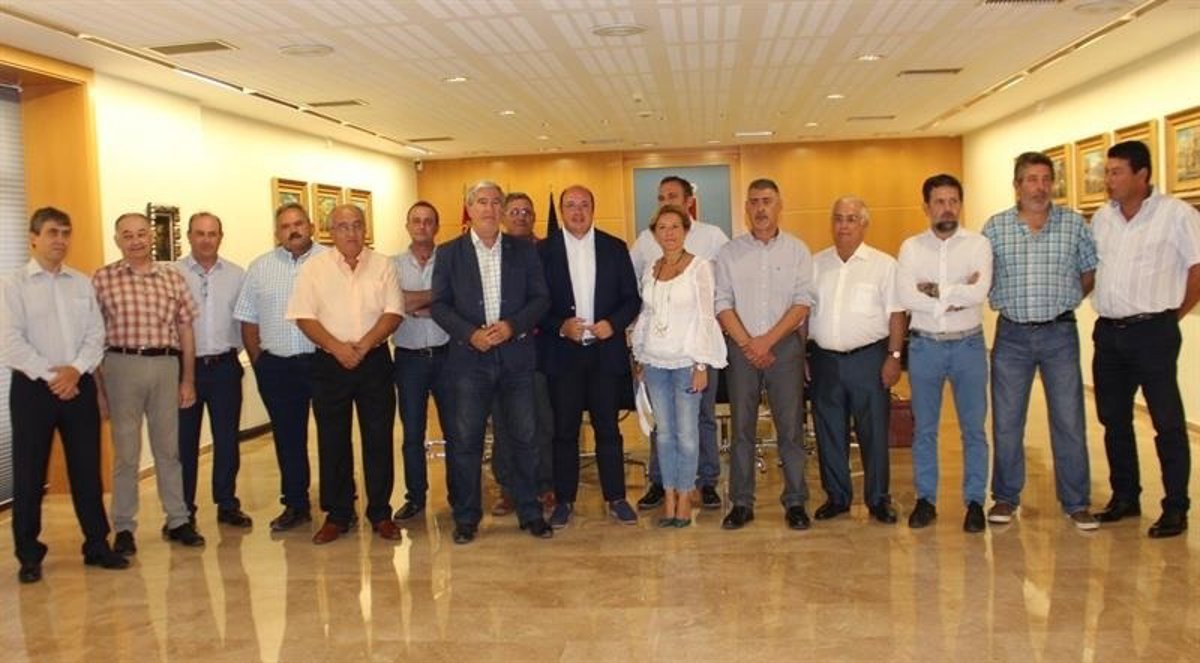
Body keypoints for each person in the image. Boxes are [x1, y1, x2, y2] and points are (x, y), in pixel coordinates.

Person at [1, 207, 129, 583]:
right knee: (29, 473)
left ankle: (97, 544)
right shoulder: (12, 285)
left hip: (79, 385)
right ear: (34, 238)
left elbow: (96, 333)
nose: (60, 240)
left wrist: (75, 370)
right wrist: (51, 375)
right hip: (32, 388)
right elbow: (10, 342)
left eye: (65, 233)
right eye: (53, 232)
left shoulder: (81, 283)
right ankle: (29, 554)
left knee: (87, 470)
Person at [431, 181, 553, 544]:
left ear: (501, 209)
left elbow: (541, 298)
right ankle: (467, 517)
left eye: (495, 202)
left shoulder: (523, 250)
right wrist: (470, 333)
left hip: (516, 358)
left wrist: (512, 326)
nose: (489, 208)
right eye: (481, 202)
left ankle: (530, 512)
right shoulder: (449, 253)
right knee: (466, 441)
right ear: (469, 208)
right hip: (469, 361)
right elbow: (439, 305)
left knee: (525, 438)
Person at [982, 152, 1099, 531]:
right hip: (1012, 335)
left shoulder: (1073, 224)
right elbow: (983, 276)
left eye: (1046, 179)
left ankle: (1076, 502)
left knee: (1068, 420)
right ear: (1017, 186)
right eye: (1031, 179)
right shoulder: (996, 227)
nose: (1040, 187)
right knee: (1006, 421)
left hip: (1059, 334)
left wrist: (1064, 299)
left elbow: (1088, 273)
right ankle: (1005, 497)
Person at [1091, 140, 1200, 539]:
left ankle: (1176, 507)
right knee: (1113, 419)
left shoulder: (1176, 214)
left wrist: (1174, 315)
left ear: (1142, 174)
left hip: (1153, 332)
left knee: (1167, 421)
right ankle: (1125, 497)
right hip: (1109, 333)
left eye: (1116, 172)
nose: (1109, 180)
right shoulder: (1102, 218)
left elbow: (1198, 267)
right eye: (1107, 172)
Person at [287, 204, 403, 544]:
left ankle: (380, 512)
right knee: (332, 439)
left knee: (378, 438)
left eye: (356, 225)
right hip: (329, 363)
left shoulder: (383, 265)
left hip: (374, 360)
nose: (351, 232)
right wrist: (337, 348)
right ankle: (339, 514)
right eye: (342, 226)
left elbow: (393, 312)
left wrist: (363, 346)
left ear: (365, 228)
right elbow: (303, 316)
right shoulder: (314, 268)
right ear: (330, 232)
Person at [93, 212, 205, 553]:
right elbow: (91, 336)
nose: (136, 241)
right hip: (120, 366)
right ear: (117, 240)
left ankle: (178, 520)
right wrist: (99, 389)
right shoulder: (102, 279)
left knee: (168, 450)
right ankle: (124, 528)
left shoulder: (172, 277)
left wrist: (188, 379)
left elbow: (186, 330)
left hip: (165, 365)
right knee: (127, 455)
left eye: (142, 233)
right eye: (127, 235)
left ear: (151, 237)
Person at [538, 185, 642, 528]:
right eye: (570, 205)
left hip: (604, 354)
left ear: (593, 208)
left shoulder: (615, 247)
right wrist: (559, 326)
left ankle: (616, 497)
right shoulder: (543, 251)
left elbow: (631, 299)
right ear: (562, 211)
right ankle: (564, 501)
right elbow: (535, 303)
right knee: (564, 431)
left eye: (584, 204)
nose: (577, 211)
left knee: (608, 429)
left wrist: (613, 323)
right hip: (562, 355)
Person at [714, 179, 814, 531]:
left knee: (791, 428)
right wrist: (748, 343)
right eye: (754, 201)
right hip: (741, 348)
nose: (760, 208)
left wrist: (767, 341)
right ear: (746, 207)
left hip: (783, 347)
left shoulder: (797, 250)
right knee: (742, 429)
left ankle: (796, 501)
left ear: (779, 205)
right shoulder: (729, 252)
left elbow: (802, 302)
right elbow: (721, 302)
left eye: (767, 201)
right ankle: (741, 502)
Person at [897, 174, 992, 533]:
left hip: (969, 345)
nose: (947, 208)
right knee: (924, 429)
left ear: (960, 205)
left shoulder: (978, 244)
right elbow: (907, 296)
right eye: (939, 201)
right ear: (926, 207)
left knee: (974, 430)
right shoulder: (911, 248)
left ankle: (975, 502)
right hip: (925, 346)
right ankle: (926, 500)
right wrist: (955, 293)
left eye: (953, 201)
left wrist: (934, 291)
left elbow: (979, 292)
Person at [630, 176, 728, 512]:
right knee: (665, 433)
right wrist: (639, 357)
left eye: (674, 227)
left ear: (686, 229)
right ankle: (668, 493)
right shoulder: (651, 268)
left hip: (688, 362)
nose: (668, 233)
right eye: (662, 227)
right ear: (655, 233)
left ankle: (688, 494)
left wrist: (701, 364)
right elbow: (646, 314)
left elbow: (706, 316)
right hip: (655, 362)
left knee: (689, 433)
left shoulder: (701, 266)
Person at [808, 196, 906, 525]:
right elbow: (805, 313)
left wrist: (894, 356)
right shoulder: (816, 264)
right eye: (838, 218)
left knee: (873, 431)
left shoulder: (884, 265)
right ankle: (837, 497)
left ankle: (878, 499)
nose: (844, 225)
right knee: (828, 432)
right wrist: (805, 354)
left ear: (864, 224)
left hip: (869, 360)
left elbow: (896, 314)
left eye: (851, 219)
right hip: (824, 361)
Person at [233, 202, 325, 532]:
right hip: (278, 367)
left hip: (324, 362)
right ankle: (296, 504)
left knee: (333, 435)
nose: (293, 231)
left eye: (298, 224)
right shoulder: (260, 268)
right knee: (288, 438)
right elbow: (248, 320)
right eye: (286, 226)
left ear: (311, 226)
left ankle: (338, 502)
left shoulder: (331, 261)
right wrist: (260, 363)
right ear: (277, 233)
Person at [175, 212, 251, 528]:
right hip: (183, 370)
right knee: (184, 443)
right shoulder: (172, 274)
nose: (206, 240)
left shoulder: (237, 275)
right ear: (189, 236)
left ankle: (227, 503)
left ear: (221, 237)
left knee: (227, 439)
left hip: (224, 368)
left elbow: (245, 321)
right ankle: (182, 510)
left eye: (212, 233)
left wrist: (233, 353)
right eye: (200, 233)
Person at [490, 192, 555, 516]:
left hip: (542, 350)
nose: (520, 216)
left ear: (534, 217)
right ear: (503, 216)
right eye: (514, 211)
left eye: (526, 212)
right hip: (502, 350)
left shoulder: (547, 251)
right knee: (504, 423)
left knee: (541, 422)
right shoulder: (491, 252)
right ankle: (508, 489)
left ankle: (544, 485)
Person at [390, 201, 456, 522]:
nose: (422, 226)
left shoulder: (451, 261)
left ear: (436, 227)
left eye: (428, 221)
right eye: (416, 221)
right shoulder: (391, 265)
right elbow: (396, 303)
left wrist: (418, 303)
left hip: (448, 357)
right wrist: (437, 298)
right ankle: (415, 497)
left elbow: (458, 302)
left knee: (456, 431)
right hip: (409, 360)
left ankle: (459, 495)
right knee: (412, 434)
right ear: (407, 226)